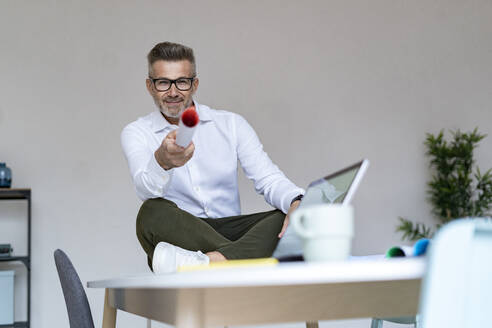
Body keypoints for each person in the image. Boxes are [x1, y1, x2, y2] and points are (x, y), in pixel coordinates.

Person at [121, 41, 304, 273]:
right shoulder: (136, 132)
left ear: (194, 84)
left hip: (232, 228)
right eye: (163, 83)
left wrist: (297, 201)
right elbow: (145, 189)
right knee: (151, 212)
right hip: (184, 233)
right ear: (150, 86)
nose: (173, 92)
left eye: (182, 82)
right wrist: (162, 161)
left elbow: (268, 179)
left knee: (286, 217)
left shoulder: (231, 124)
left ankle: (211, 264)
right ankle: (240, 260)